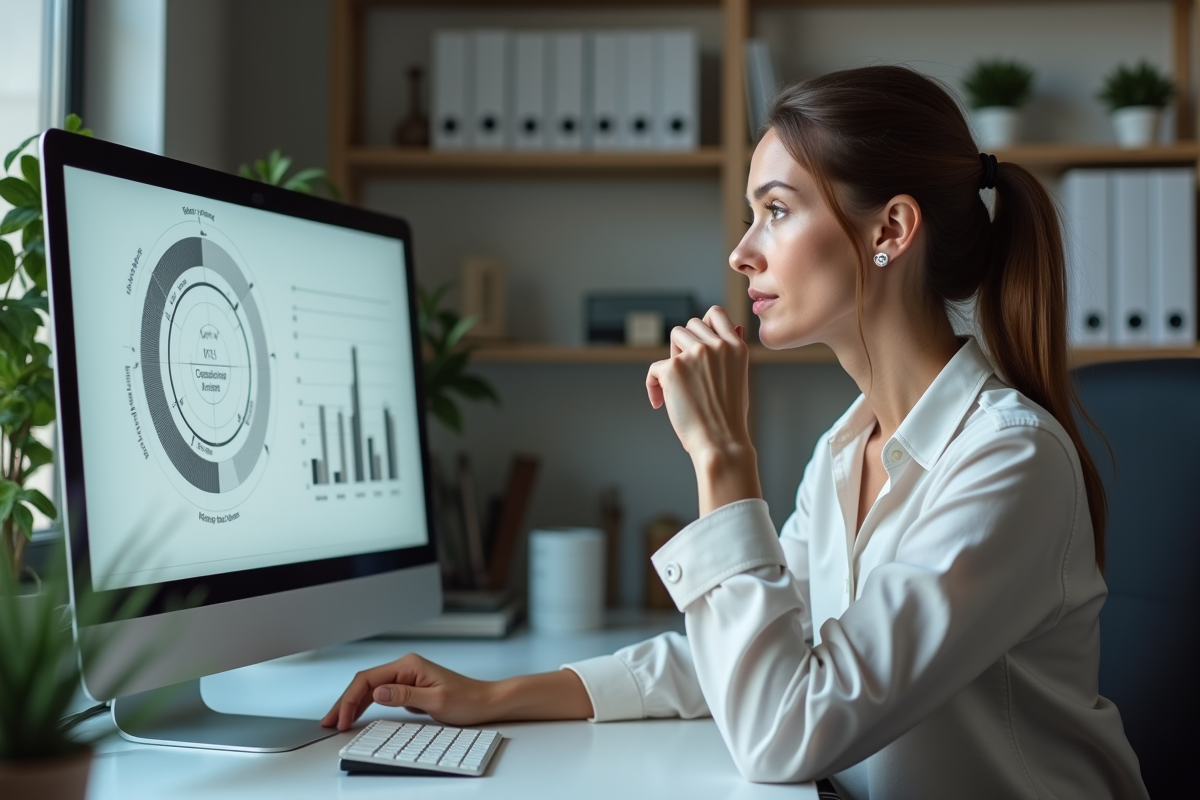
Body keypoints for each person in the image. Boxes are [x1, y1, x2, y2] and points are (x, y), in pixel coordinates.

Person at [321, 66, 1147, 799]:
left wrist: (721, 456)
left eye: (776, 211)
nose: (743, 251)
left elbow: (783, 734)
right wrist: (493, 696)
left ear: (890, 231)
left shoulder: (1007, 462)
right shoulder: (842, 452)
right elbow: (745, 654)